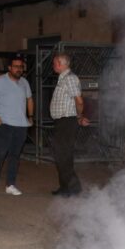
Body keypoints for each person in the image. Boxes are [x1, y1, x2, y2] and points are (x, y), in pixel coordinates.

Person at [0, 54, 33, 197]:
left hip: (21, 126)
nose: (19, 69)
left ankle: (10, 184)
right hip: (4, 125)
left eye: (21, 67)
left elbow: (29, 99)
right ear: (9, 68)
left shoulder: (24, 82)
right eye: (16, 67)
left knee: (15, 156)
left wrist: (30, 117)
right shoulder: (0, 81)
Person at [49, 52, 88, 197]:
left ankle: (72, 188)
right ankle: (66, 187)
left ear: (60, 64)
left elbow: (79, 101)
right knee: (61, 156)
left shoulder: (70, 79)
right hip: (62, 122)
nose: (53, 66)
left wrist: (79, 116)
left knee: (64, 155)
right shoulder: (63, 78)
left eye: (54, 63)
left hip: (67, 122)